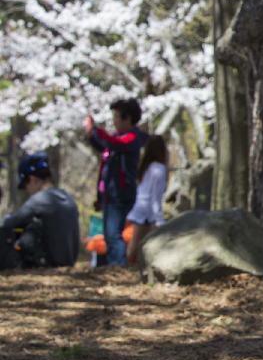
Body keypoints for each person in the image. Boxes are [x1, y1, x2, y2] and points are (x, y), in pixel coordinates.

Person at [85, 98, 148, 266]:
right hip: (110, 194)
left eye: (116, 117)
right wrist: (92, 135)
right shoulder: (118, 138)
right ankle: (116, 265)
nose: (113, 122)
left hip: (121, 193)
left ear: (127, 119)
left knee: (114, 234)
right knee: (109, 234)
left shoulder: (132, 138)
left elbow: (115, 144)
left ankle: (119, 266)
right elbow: (105, 146)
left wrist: (97, 130)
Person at [0, 153, 79, 268]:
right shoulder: (66, 196)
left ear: (32, 179)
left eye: (25, 185)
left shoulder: (39, 199)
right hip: (69, 260)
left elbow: (10, 223)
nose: (26, 190)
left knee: (5, 231)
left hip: (48, 263)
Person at [125, 134, 168, 264]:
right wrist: (159, 219)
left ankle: (129, 266)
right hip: (148, 210)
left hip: (140, 207)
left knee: (136, 243)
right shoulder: (159, 169)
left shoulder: (146, 167)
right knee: (154, 243)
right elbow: (156, 196)